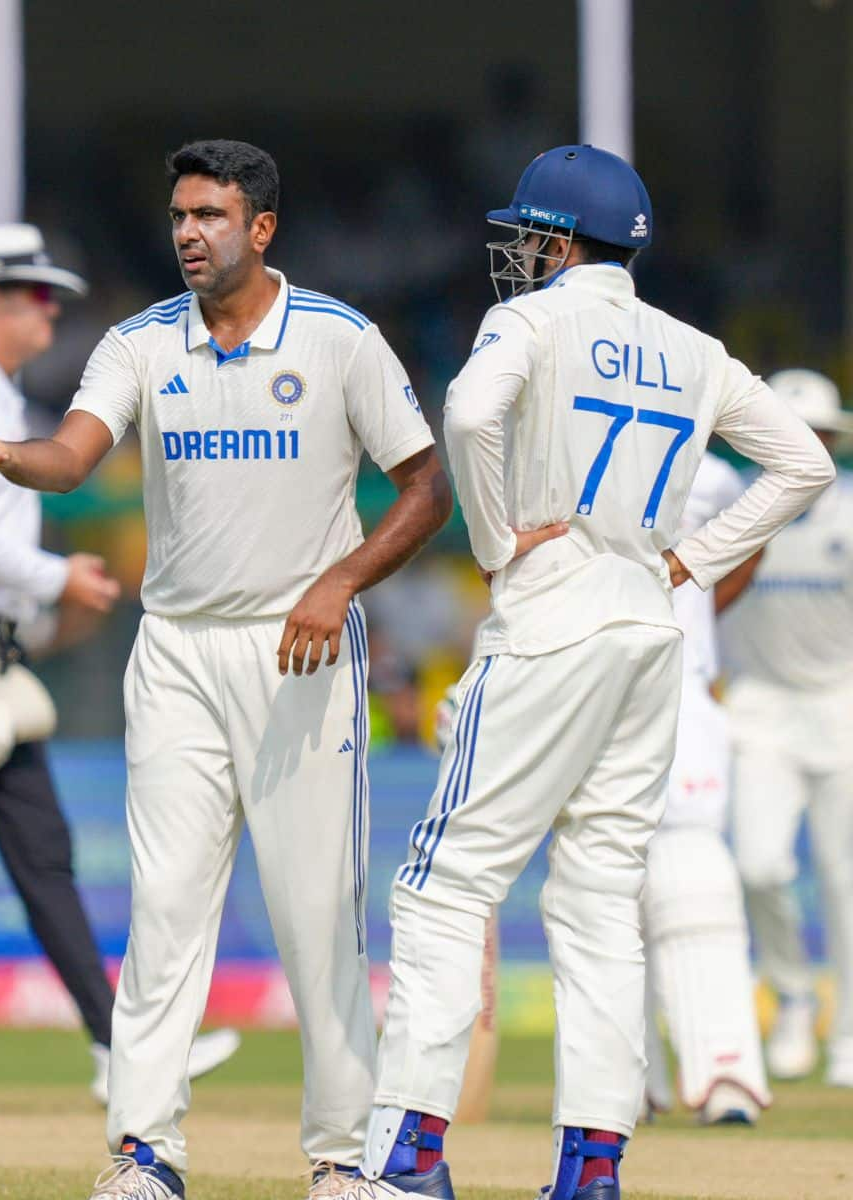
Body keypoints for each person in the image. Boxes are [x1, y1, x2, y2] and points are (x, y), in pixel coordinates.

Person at [0, 139, 452, 1200]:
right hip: (175, 654)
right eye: (177, 217)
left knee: (315, 916)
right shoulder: (139, 343)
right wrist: (6, 451)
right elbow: (72, 454)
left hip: (298, 647)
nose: (187, 235)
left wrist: (340, 580)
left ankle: (341, 1158)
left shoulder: (342, 341)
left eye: (210, 216)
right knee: (165, 914)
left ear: (261, 228)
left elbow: (427, 487)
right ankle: (145, 1153)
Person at [355, 145, 833, 1200]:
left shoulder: (527, 322)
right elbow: (803, 459)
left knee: (443, 885)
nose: (518, 255)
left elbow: (472, 417)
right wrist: (693, 562)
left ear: (565, 242)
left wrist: (493, 544)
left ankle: (407, 1160)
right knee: (603, 901)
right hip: (648, 631)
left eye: (528, 237)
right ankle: (593, 1169)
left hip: (551, 613)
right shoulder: (692, 347)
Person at [0, 222, 238, 1115]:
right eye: (37, 294)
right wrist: (55, 576)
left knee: (41, 854)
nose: (50, 310)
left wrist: (34, 604)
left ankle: (116, 1045)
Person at [721, 367, 853, 1088]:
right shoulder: (733, 507)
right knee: (759, 865)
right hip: (758, 706)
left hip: (841, 705)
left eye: (818, 437)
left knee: (843, 879)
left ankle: (849, 1041)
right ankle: (795, 997)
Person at [639, 452, 771, 1127]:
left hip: (678, 684)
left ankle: (724, 1072)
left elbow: (784, 487)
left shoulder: (706, 467)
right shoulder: (535, 429)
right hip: (572, 676)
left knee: (693, 867)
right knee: (591, 880)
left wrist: (698, 613)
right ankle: (618, 1082)